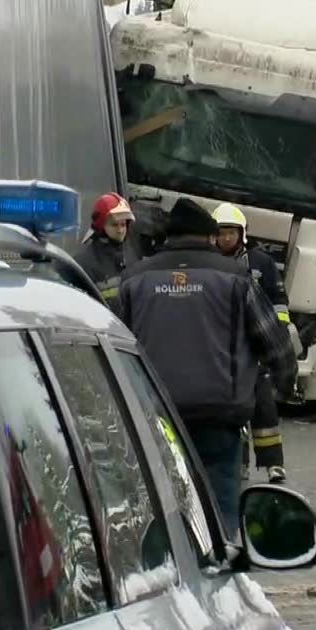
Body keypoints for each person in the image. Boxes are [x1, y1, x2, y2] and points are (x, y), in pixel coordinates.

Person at [119, 198, 297, 533]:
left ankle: (164, 571)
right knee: (221, 510)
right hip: (218, 414)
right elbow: (274, 341)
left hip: (152, 414)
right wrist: (285, 385)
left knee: (160, 507)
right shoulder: (235, 278)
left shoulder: (134, 279)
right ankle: (221, 570)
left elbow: (113, 338)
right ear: (209, 237)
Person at [212, 202, 293, 484]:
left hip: (255, 344)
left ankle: (274, 464)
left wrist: (279, 331)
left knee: (264, 406)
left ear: (242, 234)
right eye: (221, 233)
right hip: (223, 347)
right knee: (234, 409)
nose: (226, 239)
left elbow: (278, 301)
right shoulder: (210, 264)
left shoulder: (261, 263)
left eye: (231, 233)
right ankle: (241, 463)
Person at [72, 193, 138, 315]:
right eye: (114, 224)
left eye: (123, 224)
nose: (120, 230)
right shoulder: (84, 262)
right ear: (101, 226)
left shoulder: (130, 254)